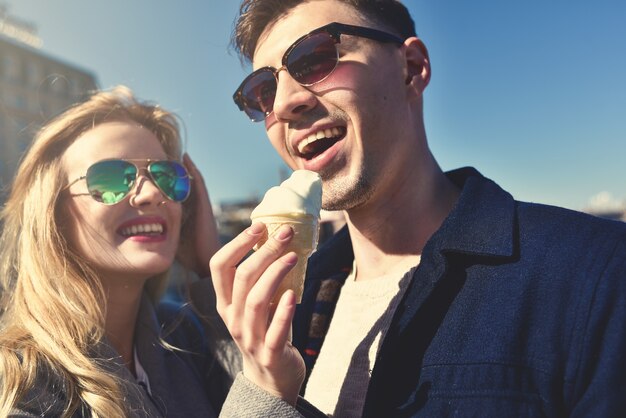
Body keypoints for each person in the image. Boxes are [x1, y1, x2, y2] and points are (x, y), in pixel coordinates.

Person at [211, 0, 626, 417]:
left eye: (316, 58)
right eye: (262, 92)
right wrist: (265, 390)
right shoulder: (294, 304)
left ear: (411, 67)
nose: (283, 104)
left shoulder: (598, 276)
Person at [0, 86, 317, 418]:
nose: (152, 193)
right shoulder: (18, 383)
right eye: (110, 179)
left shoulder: (185, 338)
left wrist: (210, 271)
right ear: (54, 215)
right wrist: (266, 389)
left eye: (168, 177)